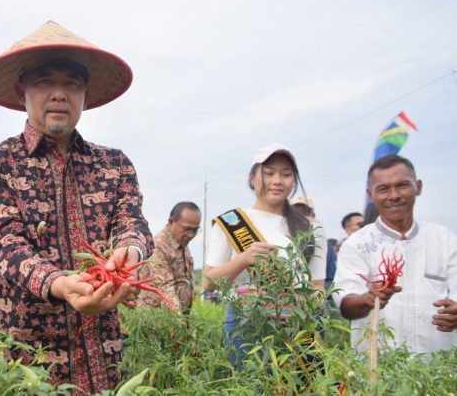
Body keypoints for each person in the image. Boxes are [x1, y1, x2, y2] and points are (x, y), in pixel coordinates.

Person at [0, 21, 153, 393]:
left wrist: (128, 253)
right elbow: (5, 245)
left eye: (71, 83)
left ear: (85, 93)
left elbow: (132, 223)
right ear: (23, 91)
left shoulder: (115, 164)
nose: (58, 94)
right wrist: (60, 284)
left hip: (102, 349)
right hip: (21, 358)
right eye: (44, 81)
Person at [203, 143, 327, 361]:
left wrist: (300, 304)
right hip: (248, 328)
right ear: (252, 178)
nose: (277, 181)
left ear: (294, 181)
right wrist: (243, 259)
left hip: (298, 329)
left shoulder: (312, 228)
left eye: (286, 174)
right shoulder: (231, 223)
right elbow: (208, 282)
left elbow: (318, 287)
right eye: (269, 173)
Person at [333, 154, 457, 353]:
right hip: (380, 370)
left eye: (402, 185)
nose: (394, 195)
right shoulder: (356, 244)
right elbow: (346, 304)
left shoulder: (444, 239)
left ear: (418, 187)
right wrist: (367, 299)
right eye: (383, 189)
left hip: (439, 368)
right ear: (371, 194)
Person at [136, 202, 200, 314]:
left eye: (195, 230)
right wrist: (179, 325)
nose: (190, 235)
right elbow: (166, 289)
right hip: (157, 320)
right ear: (171, 222)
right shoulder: (158, 247)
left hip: (177, 317)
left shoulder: (182, 245)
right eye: (186, 229)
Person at [290, 196, 337, 291]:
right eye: (295, 212)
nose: (302, 217)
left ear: (313, 215)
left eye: (306, 212)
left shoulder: (326, 246)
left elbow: (332, 279)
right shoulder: (281, 240)